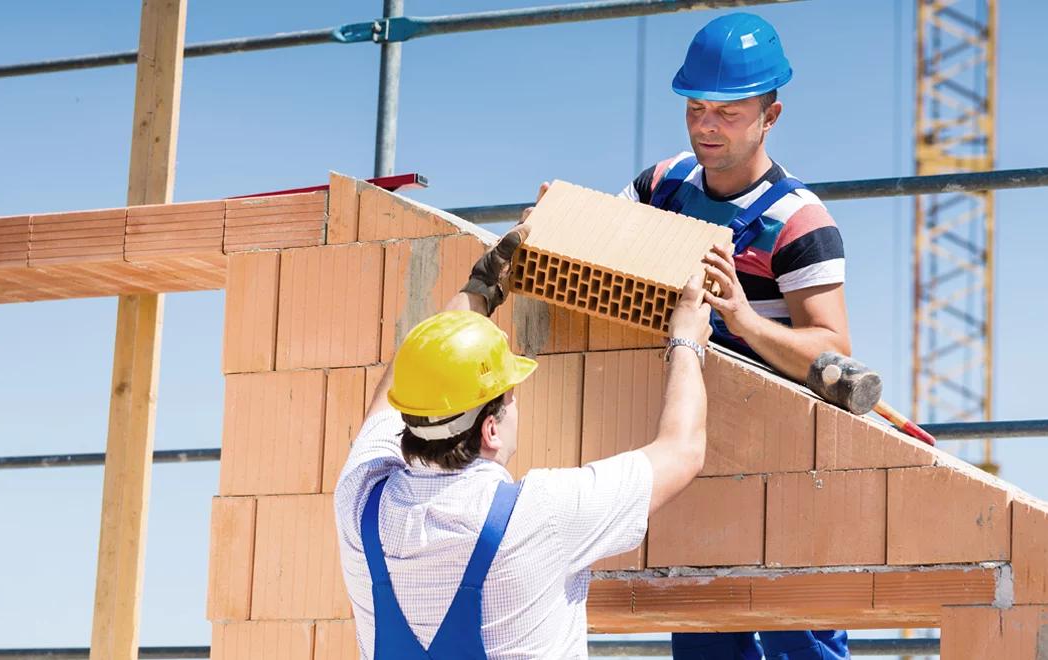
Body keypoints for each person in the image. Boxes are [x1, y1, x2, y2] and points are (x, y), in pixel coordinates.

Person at [333, 222, 714, 658]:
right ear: (490, 430)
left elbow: (408, 377)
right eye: (510, 397)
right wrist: (687, 339)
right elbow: (682, 452)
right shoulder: (541, 516)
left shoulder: (360, 500)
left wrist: (480, 290)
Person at [619, 12, 853, 660]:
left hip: (783, 458)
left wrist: (745, 320)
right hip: (696, 453)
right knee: (703, 634)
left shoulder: (799, 222)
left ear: (769, 116)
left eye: (727, 112)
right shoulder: (660, 188)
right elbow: (603, 253)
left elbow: (833, 351)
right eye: (696, 108)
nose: (706, 126)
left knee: (798, 636)